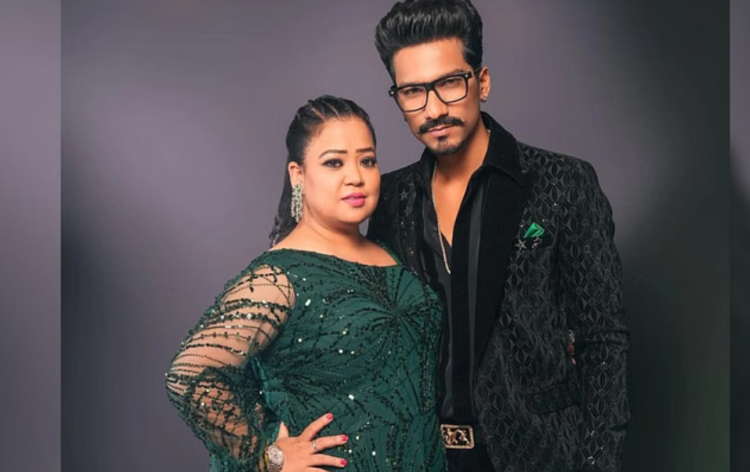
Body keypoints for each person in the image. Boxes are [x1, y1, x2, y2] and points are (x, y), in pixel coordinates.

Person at [367, 1, 630, 471]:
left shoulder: (561, 183)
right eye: (413, 92)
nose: (434, 109)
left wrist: (596, 463)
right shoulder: (388, 199)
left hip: (538, 453)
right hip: (424, 457)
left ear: (482, 82)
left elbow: (603, 340)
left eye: (450, 83)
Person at [166, 95, 447, 472]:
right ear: (298, 174)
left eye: (367, 160)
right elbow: (188, 375)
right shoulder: (277, 277)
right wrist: (268, 457)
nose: (356, 176)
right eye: (334, 162)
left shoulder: (390, 250)